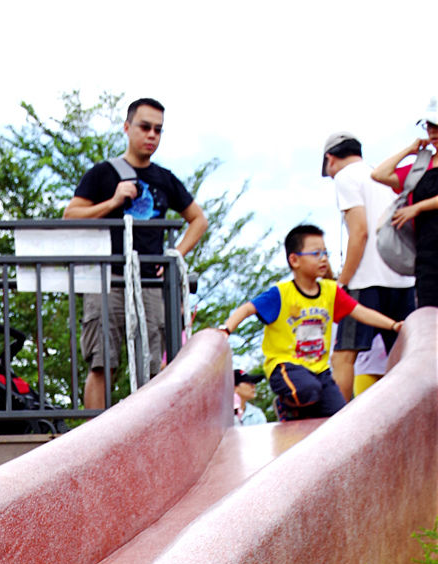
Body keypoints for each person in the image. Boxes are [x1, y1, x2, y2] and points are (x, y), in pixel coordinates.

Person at [63, 97, 207, 408]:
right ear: (128, 128)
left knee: (153, 367)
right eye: (145, 127)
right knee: (103, 362)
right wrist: (112, 202)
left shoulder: (165, 179)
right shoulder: (103, 173)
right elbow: (70, 215)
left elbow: (198, 220)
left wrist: (175, 254)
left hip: (150, 285)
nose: (152, 135)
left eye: (158, 129)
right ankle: (94, 441)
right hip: (107, 280)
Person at [218, 224, 404, 419]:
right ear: (294, 260)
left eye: (325, 252)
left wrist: (393, 325)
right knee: (307, 389)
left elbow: (360, 312)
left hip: (319, 370)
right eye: (315, 253)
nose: (323, 258)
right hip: (285, 366)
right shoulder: (281, 293)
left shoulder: (330, 291)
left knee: (338, 414)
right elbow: (247, 308)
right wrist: (226, 330)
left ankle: (299, 411)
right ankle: (285, 405)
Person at [320, 132, 415, 401]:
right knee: (403, 354)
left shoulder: (345, 177)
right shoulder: (378, 175)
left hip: (366, 278)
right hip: (401, 276)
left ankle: (337, 422)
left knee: (344, 355)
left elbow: (359, 232)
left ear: (330, 159)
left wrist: (343, 282)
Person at [371, 102, 438, 309]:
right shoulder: (421, 166)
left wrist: (418, 207)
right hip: (428, 257)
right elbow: (379, 174)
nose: (433, 132)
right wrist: (409, 150)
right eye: (429, 126)